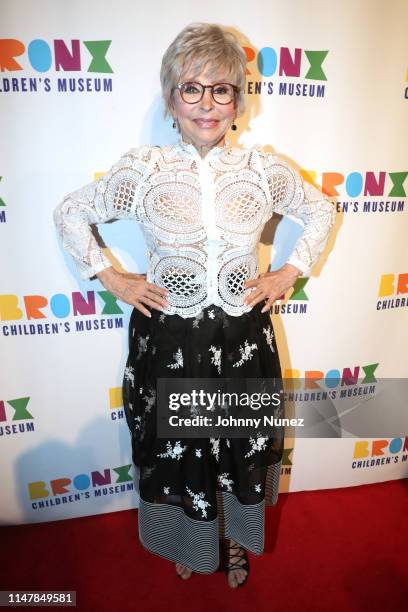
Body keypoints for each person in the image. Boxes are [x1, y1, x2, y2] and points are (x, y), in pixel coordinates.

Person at [53, 22, 336, 588]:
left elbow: (323, 211)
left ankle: (231, 544)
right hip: (170, 340)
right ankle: (191, 543)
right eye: (191, 88)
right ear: (170, 98)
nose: (207, 103)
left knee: (236, 450)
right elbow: (70, 212)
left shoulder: (264, 170)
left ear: (238, 100)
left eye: (222, 89)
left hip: (241, 343)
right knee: (181, 454)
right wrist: (113, 278)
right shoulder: (143, 170)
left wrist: (288, 271)